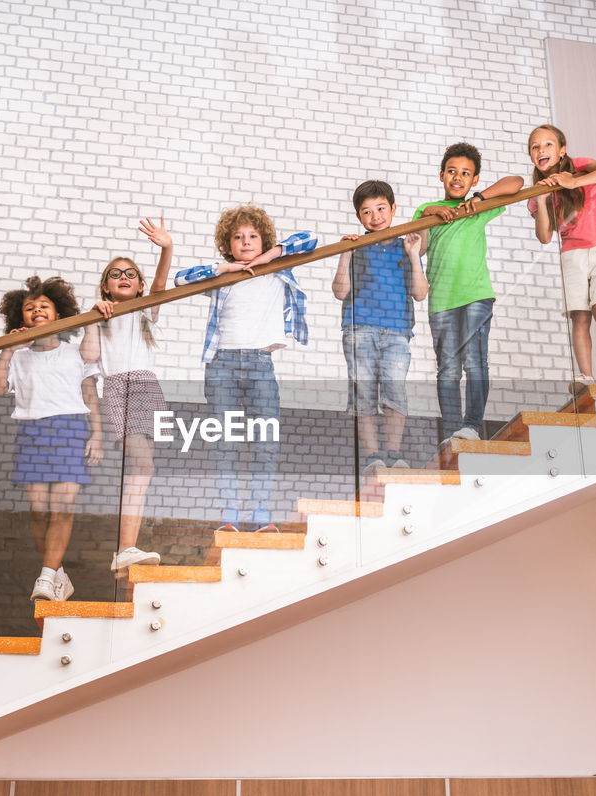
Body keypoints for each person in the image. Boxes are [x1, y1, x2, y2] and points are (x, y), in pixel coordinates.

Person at [174, 206, 316, 533]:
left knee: (265, 439)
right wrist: (221, 267)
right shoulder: (222, 274)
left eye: (253, 236)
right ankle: (230, 510)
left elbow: (311, 239)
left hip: (260, 364)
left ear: (264, 239)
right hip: (222, 364)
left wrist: (271, 256)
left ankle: (260, 509)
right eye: (238, 237)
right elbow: (181, 278)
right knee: (226, 440)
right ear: (228, 244)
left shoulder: (279, 267)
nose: (246, 242)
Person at [0, 277, 102, 604]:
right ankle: (57, 573)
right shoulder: (20, 357)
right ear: (20, 317)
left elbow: (90, 392)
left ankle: (46, 575)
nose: (37, 310)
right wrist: (8, 350)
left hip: (70, 427)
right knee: (38, 510)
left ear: (57, 313)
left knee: (62, 506)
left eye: (44, 306)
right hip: (32, 431)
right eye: (29, 307)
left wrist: (98, 434)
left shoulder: (74, 353)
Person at [412, 142, 524, 444]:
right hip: (441, 303)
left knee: (475, 362)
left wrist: (480, 197)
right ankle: (452, 433)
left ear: (474, 179)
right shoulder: (426, 210)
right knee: (448, 369)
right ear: (441, 175)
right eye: (451, 172)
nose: (457, 178)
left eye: (465, 173)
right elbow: (419, 249)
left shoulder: (477, 207)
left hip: (476, 296)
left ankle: (471, 426)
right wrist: (430, 213)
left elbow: (517, 182)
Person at [92, 217, 173, 577]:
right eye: (115, 274)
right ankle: (124, 547)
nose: (123, 277)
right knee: (140, 467)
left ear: (139, 286)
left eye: (130, 273)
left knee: (143, 471)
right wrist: (94, 318)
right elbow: (86, 357)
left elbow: (160, 285)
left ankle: (127, 547)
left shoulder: (145, 311)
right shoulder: (98, 318)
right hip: (120, 386)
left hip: (148, 386)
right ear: (106, 288)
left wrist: (166, 248)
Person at [331, 180, 428, 470]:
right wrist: (344, 253)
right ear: (359, 217)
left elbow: (420, 293)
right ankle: (373, 456)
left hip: (397, 332)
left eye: (381, 208)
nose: (375, 217)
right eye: (367, 212)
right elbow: (340, 292)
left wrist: (413, 254)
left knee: (394, 391)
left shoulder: (404, 246)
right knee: (364, 392)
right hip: (359, 329)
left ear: (393, 208)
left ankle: (393, 453)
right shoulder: (357, 248)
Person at [527, 124, 596, 391]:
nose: (541, 150)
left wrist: (573, 181)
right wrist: (544, 199)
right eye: (535, 147)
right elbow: (545, 236)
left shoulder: (580, 165)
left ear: (562, 150)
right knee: (580, 316)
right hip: (573, 253)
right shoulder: (535, 193)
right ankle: (584, 376)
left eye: (548, 144)